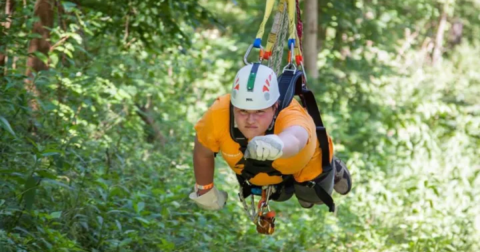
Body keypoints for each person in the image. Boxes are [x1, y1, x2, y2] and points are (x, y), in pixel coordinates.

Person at [189, 63, 351, 211]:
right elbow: (203, 150)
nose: (251, 120)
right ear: (233, 107)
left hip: (305, 161)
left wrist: (276, 144)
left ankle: (332, 165)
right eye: (243, 111)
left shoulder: (291, 115)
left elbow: (296, 137)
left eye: (260, 111)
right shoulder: (218, 114)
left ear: (274, 107)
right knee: (281, 195)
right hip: (265, 175)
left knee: (311, 198)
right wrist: (205, 188)